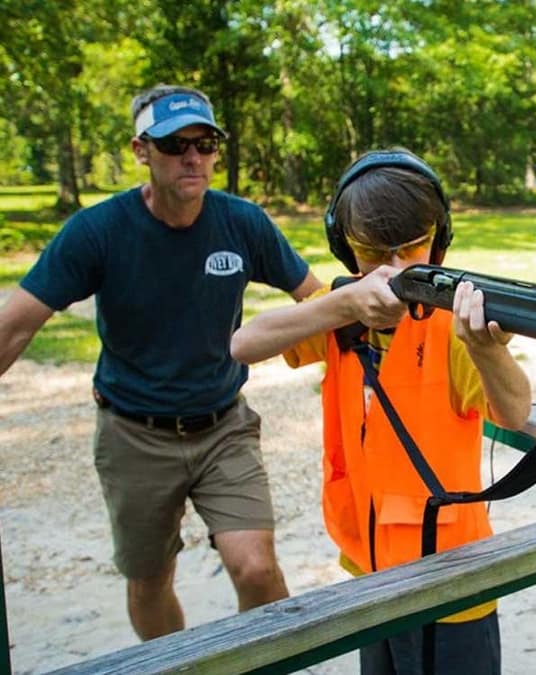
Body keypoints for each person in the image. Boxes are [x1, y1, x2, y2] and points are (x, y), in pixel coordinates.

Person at [0, 84, 322, 640]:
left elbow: (317, 302)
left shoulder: (242, 222)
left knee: (258, 567)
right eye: (174, 145)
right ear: (141, 150)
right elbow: (16, 326)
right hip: (134, 434)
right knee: (150, 580)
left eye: (205, 143)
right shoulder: (97, 232)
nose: (192, 157)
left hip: (224, 425)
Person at [230, 148, 531, 675]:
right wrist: (341, 305)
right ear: (344, 248)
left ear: (438, 239)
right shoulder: (341, 307)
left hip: (454, 582)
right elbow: (243, 345)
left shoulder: (451, 325)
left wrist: (487, 348)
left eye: (411, 247)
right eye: (370, 251)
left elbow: (514, 412)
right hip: (371, 572)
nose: (392, 268)